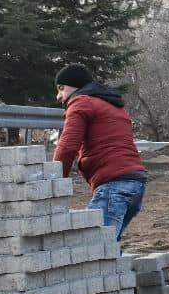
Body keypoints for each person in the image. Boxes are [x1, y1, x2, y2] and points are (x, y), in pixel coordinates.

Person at [53, 63, 147, 240]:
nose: (59, 96)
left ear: (75, 86)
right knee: (107, 249)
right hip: (136, 183)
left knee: (93, 247)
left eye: (61, 88)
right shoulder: (112, 104)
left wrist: (52, 183)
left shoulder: (81, 102)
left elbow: (67, 146)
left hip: (114, 185)